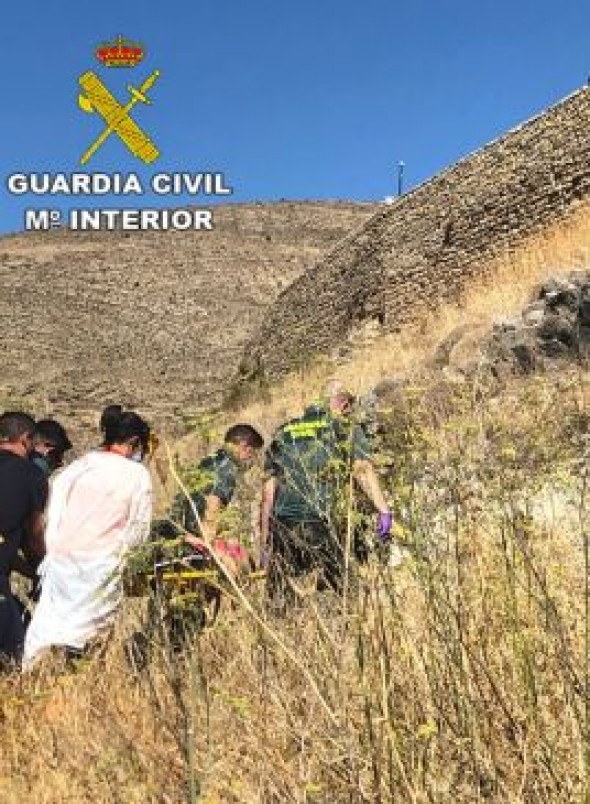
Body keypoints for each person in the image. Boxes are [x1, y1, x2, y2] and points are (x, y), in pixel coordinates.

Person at [23, 408, 152, 668]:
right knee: (92, 635)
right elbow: (138, 528)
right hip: (104, 564)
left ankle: (33, 680)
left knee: (48, 628)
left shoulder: (77, 467)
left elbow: (53, 512)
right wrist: (127, 560)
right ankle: (79, 685)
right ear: (135, 442)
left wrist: (53, 551)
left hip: (61, 561)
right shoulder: (137, 475)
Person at [260, 385, 394, 607]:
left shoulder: (284, 432)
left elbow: (268, 493)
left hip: (282, 527)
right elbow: (362, 469)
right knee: (339, 594)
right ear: (344, 405)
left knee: (281, 602)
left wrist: (265, 544)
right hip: (320, 522)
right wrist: (383, 510)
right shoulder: (342, 426)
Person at [165, 423, 265, 569]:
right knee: (243, 565)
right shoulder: (227, 469)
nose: (252, 460)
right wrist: (209, 544)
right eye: (252, 453)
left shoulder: (209, 461)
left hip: (180, 528)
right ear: (243, 446)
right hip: (196, 534)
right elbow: (213, 505)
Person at [0, 412, 48, 665]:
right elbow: (34, 534)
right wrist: (43, 567)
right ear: (27, 439)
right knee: (18, 654)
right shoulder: (31, 475)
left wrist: (27, 570)